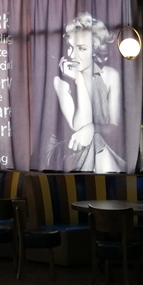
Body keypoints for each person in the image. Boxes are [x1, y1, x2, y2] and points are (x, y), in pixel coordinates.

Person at [51, 12, 124, 172]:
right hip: (68, 151)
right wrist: (79, 79)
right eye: (70, 48)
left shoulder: (110, 76)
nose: (72, 55)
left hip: (100, 145)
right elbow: (78, 125)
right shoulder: (60, 81)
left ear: (94, 50)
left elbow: (114, 129)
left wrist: (93, 128)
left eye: (82, 48)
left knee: (96, 139)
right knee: (95, 142)